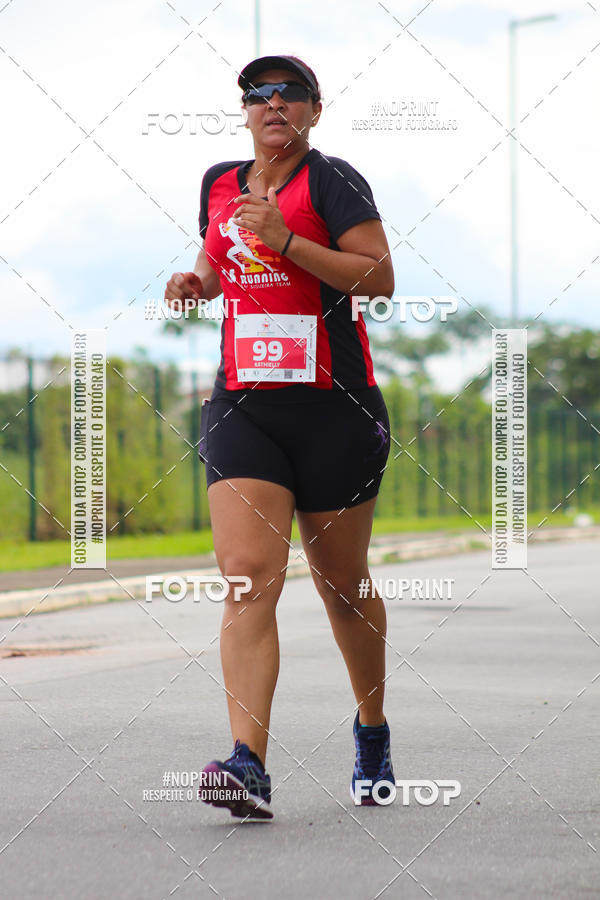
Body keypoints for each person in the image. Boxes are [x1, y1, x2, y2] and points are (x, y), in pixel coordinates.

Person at [164, 54, 395, 820]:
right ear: (245, 111)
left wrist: (291, 243)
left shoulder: (333, 181)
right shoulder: (219, 184)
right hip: (245, 407)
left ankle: (370, 730)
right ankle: (248, 763)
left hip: (335, 409)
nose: (272, 105)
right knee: (246, 573)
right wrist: (196, 282)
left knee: (342, 587)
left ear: (313, 112)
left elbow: (378, 278)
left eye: (289, 95)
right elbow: (217, 259)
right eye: (258, 95)